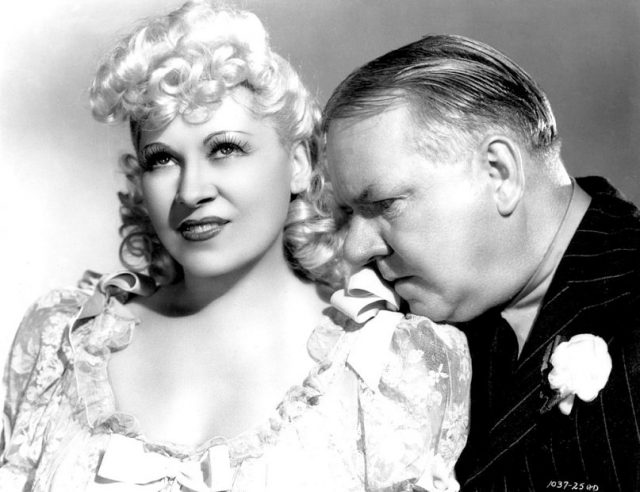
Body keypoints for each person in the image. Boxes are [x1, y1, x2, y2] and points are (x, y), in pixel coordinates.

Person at [0, 3, 470, 491]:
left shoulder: (395, 365)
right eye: (161, 159)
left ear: (299, 163)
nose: (190, 192)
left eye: (224, 149)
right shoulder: (60, 342)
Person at [323, 34, 640, 491]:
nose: (354, 248)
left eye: (385, 204)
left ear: (500, 173)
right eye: (349, 213)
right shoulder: (408, 345)